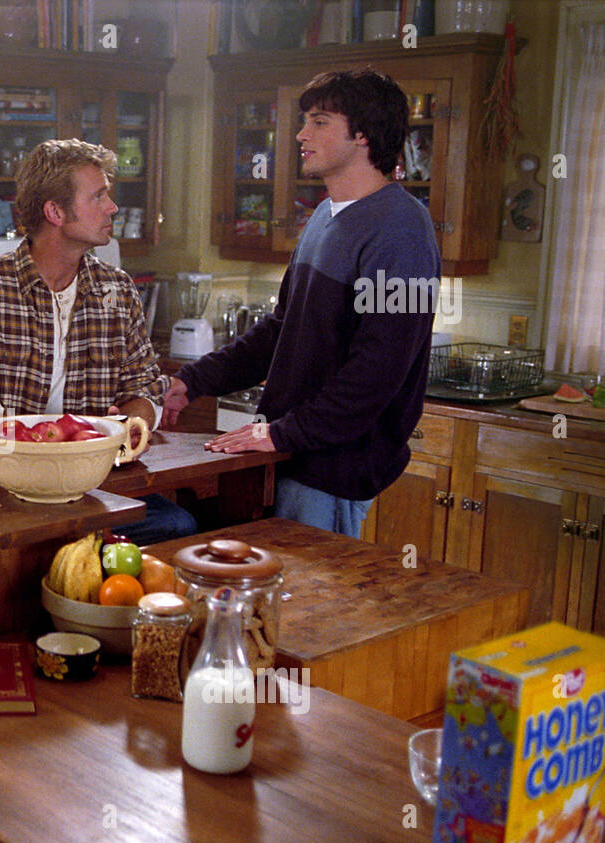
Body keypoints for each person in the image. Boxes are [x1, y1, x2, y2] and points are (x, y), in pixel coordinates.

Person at [163, 68, 440, 538]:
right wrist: (193, 380)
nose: (299, 134)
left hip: (334, 469)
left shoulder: (402, 230)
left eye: (319, 121)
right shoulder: (324, 218)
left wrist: (281, 433)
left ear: (363, 134)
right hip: (290, 457)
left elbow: (379, 372)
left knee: (313, 608)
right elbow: (281, 330)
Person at [0, 138, 196, 544]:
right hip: (8, 490)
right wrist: (37, 445)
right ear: (55, 212)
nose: (112, 207)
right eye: (98, 197)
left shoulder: (118, 290)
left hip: (96, 487)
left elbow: (144, 388)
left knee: (179, 525)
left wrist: (134, 421)